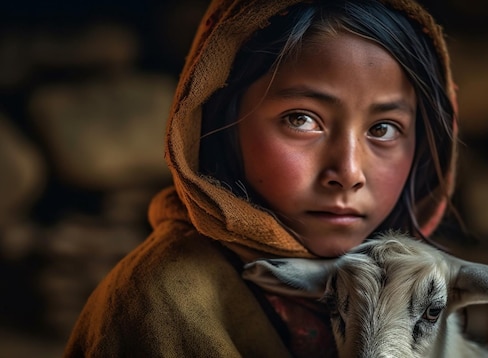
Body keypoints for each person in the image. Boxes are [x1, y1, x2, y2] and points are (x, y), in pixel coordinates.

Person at [64, 0, 458, 356]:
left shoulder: (417, 297)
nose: (349, 173)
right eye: (301, 120)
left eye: (385, 128)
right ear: (218, 119)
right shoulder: (159, 303)